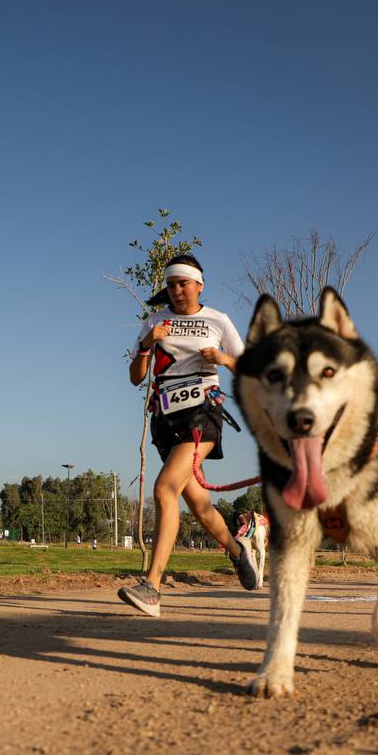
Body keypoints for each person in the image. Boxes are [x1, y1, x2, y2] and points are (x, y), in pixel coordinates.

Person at [117, 254, 260, 617]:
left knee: (165, 489)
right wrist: (148, 343)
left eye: (184, 283)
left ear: (200, 284)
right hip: (166, 420)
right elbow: (136, 376)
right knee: (198, 504)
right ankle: (238, 551)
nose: (177, 290)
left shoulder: (218, 320)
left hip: (204, 413)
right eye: (171, 284)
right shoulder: (154, 321)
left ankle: (152, 587)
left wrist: (224, 359)